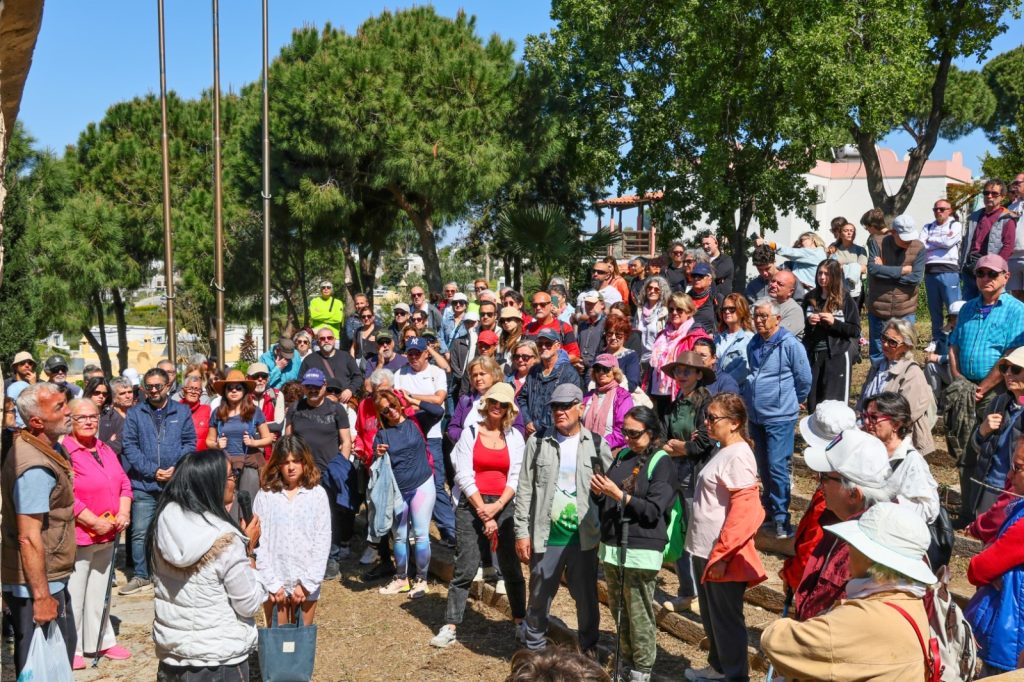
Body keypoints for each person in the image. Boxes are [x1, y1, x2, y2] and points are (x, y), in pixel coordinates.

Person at [762, 503, 935, 681]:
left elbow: (777, 642)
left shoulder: (862, 618)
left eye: (852, 545)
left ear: (868, 555)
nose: (848, 551)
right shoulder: (911, 602)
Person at [514, 383, 613, 656]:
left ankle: (588, 646)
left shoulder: (596, 444)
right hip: (546, 534)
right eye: (555, 406)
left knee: (586, 598)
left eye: (566, 405)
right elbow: (524, 489)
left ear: (580, 407)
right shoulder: (537, 442)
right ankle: (533, 647)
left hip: (583, 536)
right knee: (539, 594)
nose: (560, 411)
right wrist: (521, 531)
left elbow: (608, 490)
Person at [149, 450, 264, 680]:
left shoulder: (163, 522)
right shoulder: (226, 540)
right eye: (230, 476)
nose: (234, 482)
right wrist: (248, 551)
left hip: (173, 658)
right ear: (212, 484)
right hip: (219, 660)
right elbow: (249, 604)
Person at [431, 383, 527, 648]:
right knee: (466, 566)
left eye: (503, 404)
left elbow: (516, 476)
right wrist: (484, 511)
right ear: (486, 404)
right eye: (493, 402)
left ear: (509, 409)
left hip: (503, 505)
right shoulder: (470, 433)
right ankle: (450, 624)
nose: (497, 407)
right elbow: (461, 473)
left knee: (510, 566)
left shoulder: (515, 438)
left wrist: (496, 508)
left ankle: (521, 622)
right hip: (472, 505)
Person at [590, 406, 678, 682]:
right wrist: (600, 493)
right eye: (624, 431)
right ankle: (625, 662)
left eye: (634, 433)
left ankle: (641, 669)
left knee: (639, 612)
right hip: (614, 546)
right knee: (619, 609)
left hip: (641, 548)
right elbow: (609, 500)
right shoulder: (624, 456)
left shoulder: (662, 462)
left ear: (650, 433)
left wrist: (618, 495)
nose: (627, 438)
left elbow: (653, 510)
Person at [683, 393, 766, 682]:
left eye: (713, 417)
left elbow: (745, 511)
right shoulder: (723, 449)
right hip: (704, 549)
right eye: (706, 416)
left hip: (720, 553)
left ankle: (734, 676)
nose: (707, 422)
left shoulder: (740, 455)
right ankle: (718, 668)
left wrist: (723, 555)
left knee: (726, 621)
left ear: (734, 423)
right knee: (712, 617)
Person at [2, 383, 77, 674]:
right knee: (41, 667)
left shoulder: (46, 449)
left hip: (49, 575)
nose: (68, 411)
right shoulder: (34, 466)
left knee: (57, 662)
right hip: (36, 584)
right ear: (36, 421)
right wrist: (42, 597)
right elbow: (29, 537)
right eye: (59, 407)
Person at [791, 427, 892, 621]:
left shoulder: (870, 550)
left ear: (854, 494)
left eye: (825, 477)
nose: (818, 483)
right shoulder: (842, 524)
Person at [64, 398, 132, 668]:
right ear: (69, 420)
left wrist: (124, 513)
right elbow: (66, 496)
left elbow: (124, 484)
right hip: (81, 536)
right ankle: (74, 647)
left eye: (93, 416)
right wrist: (93, 522)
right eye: (82, 417)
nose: (89, 422)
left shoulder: (104, 448)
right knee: (76, 594)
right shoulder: (65, 451)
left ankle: (101, 642)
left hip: (108, 534)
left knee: (100, 592)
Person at [120, 367, 196, 595]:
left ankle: (175, 571)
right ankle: (142, 575)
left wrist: (176, 469)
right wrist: (153, 471)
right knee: (141, 531)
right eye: (149, 386)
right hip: (144, 484)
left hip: (174, 483)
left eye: (158, 386)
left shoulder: (181, 412)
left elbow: (189, 443)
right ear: (144, 388)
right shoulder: (135, 413)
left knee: (175, 529)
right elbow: (130, 447)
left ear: (168, 387)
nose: (153, 390)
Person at [743, 298, 811, 538]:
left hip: (780, 416)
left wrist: (791, 401)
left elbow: (804, 378)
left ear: (777, 319)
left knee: (777, 466)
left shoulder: (789, 344)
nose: (759, 320)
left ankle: (782, 518)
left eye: (764, 316)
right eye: (756, 316)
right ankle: (769, 513)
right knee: (763, 466)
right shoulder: (754, 343)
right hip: (757, 416)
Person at [660, 351, 716, 614]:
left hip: (696, 475)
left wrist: (683, 446)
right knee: (679, 531)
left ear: (698, 374)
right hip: (674, 472)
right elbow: (661, 435)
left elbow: (704, 441)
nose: (681, 376)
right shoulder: (674, 404)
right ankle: (687, 590)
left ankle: (701, 593)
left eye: (687, 371)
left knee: (696, 533)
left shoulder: (707, 404)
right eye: (678, 371)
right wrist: (678, 446)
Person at [253, 435, 331, 626]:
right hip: (275, 580)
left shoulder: (317, 495)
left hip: (305, 581)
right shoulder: (266, 494)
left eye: (296, 461)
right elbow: (257, 542)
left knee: (300, 644)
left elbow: (322, 540)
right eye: (285, 462)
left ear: (305, 462)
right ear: (277, 465)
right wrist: (271, 583)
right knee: (277, 643)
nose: (291, 467)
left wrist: (307, 585)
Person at [285, 368, 353, 579]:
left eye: (317, 386)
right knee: (300, 515)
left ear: (324, 386)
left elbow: (346, 441)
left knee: (329, 516)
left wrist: (340, 466)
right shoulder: (295, 408)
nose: (313, 390)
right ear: (303, 387)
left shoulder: (336, 410)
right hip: (301, 472)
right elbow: (288, 440)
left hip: (328, 472)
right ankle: (303, 555)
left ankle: (331, 558)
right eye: (309, 386)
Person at [373, 388, 441, 599]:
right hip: (398, 490)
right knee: (400, 536)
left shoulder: (417, 421)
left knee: (421, 534)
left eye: (393, 405)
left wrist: (412, 399)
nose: (391, 411)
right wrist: (377, 453)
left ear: (398, 402)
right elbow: (376, 463)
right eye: (385, 410)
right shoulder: (382, 434)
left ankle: (422, 580)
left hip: (422, 484)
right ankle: (401, 578)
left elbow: (438, 412)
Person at [966, 439, 1024, 677]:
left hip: (1011, 639)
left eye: (1018, 467)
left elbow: (978, 569)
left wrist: (1001, 571)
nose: (1010, 474)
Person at [394, 336, 454, 545]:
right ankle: (409, 530)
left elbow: (439, 399)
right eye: (410, 353)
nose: (413, 357)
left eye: (417, 353)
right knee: (409, 484)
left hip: (433, 435)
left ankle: (449, 531)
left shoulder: (436, 373)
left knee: (437, 483)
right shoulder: (399, 373)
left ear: (426, 353)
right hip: (409, 435)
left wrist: (412, 398)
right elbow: (398, 403)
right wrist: (418, 403)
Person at [961, 346, 1024, 525]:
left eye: (1016, 369)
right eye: (1005, 368)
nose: (1008, 374)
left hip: (1015, 491)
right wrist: (983, 431)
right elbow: (977, 446)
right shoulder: (998, 403)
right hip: (988, 486)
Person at [859, 391, 940, 526]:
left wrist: (890, 505)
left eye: (874, 417)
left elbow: (929, 509)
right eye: (865, 416)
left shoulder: (911, 461)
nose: (867, 422)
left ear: (896, 424)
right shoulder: (867, 451)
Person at [857, 319, 936, 456]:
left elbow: (903, 416)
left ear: (907, 346)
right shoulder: (878, 366)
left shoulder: (912, 373)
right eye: (884, 338)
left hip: (898, 444)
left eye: (893, 342)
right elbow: (862, 402)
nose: (885, 344)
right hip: (871, 436)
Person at [207, 369, 274, 508]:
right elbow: (209, 441)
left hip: (249, 464)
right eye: (230, 388)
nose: (234, 391)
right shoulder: (217, 413)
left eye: (238, 388)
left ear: (244, 391)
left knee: (248, 504)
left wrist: (254, 442)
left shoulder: (254, 411)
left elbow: (268, 438)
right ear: (225, 391)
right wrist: (217, 445)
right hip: (224, 465)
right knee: (225, 505)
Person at [866, 213, 925, 365]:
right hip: (879, 308)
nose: (909, 241)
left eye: (910, 237)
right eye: (904, 238)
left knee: (904, 352)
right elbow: (872, 270)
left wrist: (884, 270)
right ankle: (877, 385)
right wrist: (902, 271)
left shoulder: (919, 247)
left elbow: (915, 279)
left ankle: (901, 386)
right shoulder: (876, 242)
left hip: (905, 309)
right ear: (893, 232)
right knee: (878, 353)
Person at [803, 259, 860, 410]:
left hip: (837, 354)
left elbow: (855, 330)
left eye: (826, 274)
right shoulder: (809, 298)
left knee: (834, 403)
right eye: (820, 273)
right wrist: (810, 322)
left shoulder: (845, 299)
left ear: (834, 276)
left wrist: (834, 323)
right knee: (814, 400)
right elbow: (805, 331)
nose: (822, 277)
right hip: (814, 354)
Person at [646, 292, 710, 416]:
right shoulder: (662, 335)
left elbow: (703, 363)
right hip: (658, 392)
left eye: (679, 309)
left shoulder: (695, 335)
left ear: (689, 312)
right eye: (671, 309)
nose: (674, 313)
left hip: (681, 391)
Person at [518, 329, 583, 436]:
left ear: (557, 345)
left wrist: (538, 425)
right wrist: (527, 421)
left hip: (556, 434)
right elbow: (522, 398)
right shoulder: (534, 371)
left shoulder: (569, 374)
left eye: (548, 344)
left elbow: (569, 406)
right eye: (540, 344)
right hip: (531, 434)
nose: (543, 347)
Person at [961, 178, 1018, 300]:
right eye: (986, 193)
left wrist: (996, 266)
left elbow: (1008, 246)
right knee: (968, 304)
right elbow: (966, 242)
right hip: (971, 267)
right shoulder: (974, 216)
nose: (989, 196)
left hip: (991, 270)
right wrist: (963, 263)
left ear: (1002, 197)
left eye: (994, 194)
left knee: (989, 304)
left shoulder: (1007, 218)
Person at [920, 198, 962, 344]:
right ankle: (937, 339)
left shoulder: (955, 225)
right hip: (930, 271)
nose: (938, 212)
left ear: (949, 211)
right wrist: (940, 241)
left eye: (942, 209)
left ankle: (956, 338)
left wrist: (932, 241)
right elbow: (921, 245)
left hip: (949, 270)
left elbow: (949, 243)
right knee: (934, 309)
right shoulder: (928, 226)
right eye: (935, 209)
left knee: (954, 307)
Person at [582, 354, 634, 450]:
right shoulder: (587, 396)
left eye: (605, 369)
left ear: (614, 372)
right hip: (585, 449)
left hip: (611, 452)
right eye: (597, 369)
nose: (601, 372)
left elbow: (623, 431)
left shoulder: (623, 397)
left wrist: (598, 444)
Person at [300, 325, 363, 403]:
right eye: (322, 338)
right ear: (318, 342)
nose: (326, 340)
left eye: (329, 338)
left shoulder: (346, 357)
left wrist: (350, 390)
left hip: (344, 400)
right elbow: (300, 382)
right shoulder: (309, 360)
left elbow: (358, 377)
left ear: (334, 340)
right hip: (319, 403)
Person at [923, 299, 964, 404]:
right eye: (952, 318)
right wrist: (945, 334)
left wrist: (939, 358)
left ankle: (955, 401)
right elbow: (937, 349)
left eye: (957, 317)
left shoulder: (968, 333)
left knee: (951, 364)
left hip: (964, 375)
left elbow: (960, 356)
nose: (954, 320)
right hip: (949, 373)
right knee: (930, 366)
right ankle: (934, 401)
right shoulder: (947, 333)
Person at [714, 294, 754, 388]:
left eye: (732, 309)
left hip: (736, 391)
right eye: (724, 309)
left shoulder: (749, 339)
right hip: (716, 390)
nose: (727, 312)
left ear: (741, 310)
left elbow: (744, 370)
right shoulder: (718, 338)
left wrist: (722, 385)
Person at [763, 231, 827, 290]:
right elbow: (786, 266)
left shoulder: (816, 252)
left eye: (802, 240)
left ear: (812, 239)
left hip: (805, 293)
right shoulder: (805, 258)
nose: (800, 244)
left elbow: (791, 252)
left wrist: (768, 244)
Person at [524, 291, 581, 357]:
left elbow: (574, 354)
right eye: (535, 305)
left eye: (542, 304)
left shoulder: (564, 327)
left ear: (551, 306)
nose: (538, 308)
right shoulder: (527, 329)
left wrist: (554, 362)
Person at [828, 220, 868, 306]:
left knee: (854, 317)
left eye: (852, 231)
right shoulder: (834, 249)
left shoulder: (860, 250)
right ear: (840, 234)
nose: (849, 233)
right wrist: (853, 267)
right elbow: (830, 266)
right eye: (846, 231)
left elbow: (863, 268)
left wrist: (843, 267)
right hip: (837, 289)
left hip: (855, 291)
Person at [635, 276, 670, 370]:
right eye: (649, 288)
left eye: (656, 289)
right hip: (639, 358)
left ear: (662, 292)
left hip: (657, 359)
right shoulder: (639, 311)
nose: (652, 291)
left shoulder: (665, 312)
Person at [84, 376, 125, 456]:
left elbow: (120, 444)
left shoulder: (113, 416)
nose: (101, 396)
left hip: (108, 463)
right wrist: (106, 445)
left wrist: (99, 450)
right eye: (96, 392)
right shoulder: (77, 414)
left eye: (105, 394)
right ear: (89, 392)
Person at [602, 315, 642, 392]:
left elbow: (632, 384)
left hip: (622, 397)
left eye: (618, 335)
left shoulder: (631, 356)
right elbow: (590, 378)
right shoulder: (601, 355)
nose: (613, 337)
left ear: (625, 336)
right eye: (610, 333)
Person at [766, 269, 804, 338]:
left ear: (790, 291)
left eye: (780, 284)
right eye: (773, 281)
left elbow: (777, 336)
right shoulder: (763, 303)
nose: (773, 285)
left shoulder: (794, 310)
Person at [577, 291, 609, 373]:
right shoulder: (582, 325)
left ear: (602, 305)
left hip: (598, 369)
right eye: (587, 304)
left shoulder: (607, 325)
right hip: (580, 368)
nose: (589, 307)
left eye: (592, 304)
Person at [687, 262, 721, 334]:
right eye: (693, 275)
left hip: (709, 339)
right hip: (687, 338)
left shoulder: (716, 298)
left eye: (700, 276)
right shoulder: (685, 299)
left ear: (709, 280)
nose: (696, 278)